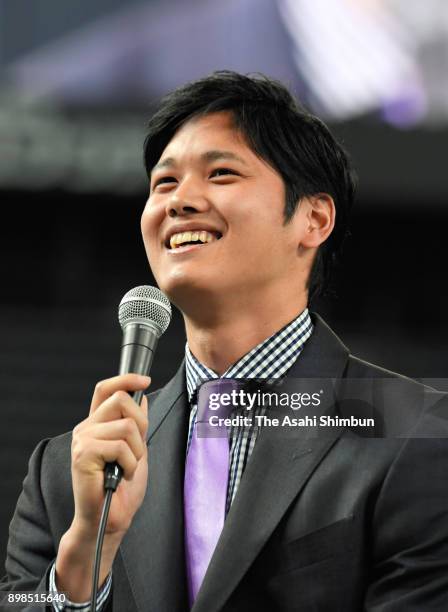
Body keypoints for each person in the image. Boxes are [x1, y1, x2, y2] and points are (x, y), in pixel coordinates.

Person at [2, 71, 448, 611]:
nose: (180, 200)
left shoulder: (417, 430)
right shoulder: (65, 473)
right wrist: (83, 561)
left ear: (313, 218)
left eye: (220, 173)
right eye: (164, 183)